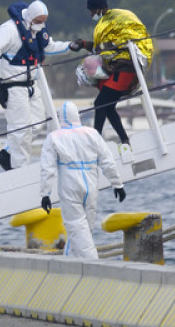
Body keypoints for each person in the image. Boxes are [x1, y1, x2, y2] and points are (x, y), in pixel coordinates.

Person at [0, 0, 82, 171]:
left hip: (32, 85)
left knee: (38, 123)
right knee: (20, 130)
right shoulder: (9, 30)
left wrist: (70, 46)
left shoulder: (38, 31)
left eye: (43, 21)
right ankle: (19, 169)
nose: (40, 25)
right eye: (38, 21)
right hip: (13, 87)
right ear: (29, 17)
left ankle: (7, 153)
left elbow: (49, 47)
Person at [39, 102, 126, 259]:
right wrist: (117, 183)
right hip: (91, 185)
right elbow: (107, 160)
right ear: (77, 115)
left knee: (77, 229)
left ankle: (93, 266)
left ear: (60, 117)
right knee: (85, 230)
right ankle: (71, 262)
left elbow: (48, 168)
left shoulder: (53, 138)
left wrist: (45, 193)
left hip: (69, 186)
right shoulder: (92, 134)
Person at [72, 0, 154, 147]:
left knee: (100, 103)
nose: (91, 15)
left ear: (100, 8)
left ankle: (96, 140)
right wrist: (82, 44)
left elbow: (119, 45)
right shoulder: (105, 24)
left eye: (92, 11)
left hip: (125, 67)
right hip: (116, 68)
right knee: (108, 106)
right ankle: (124, 139)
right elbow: (101, 48)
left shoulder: (117, 19)